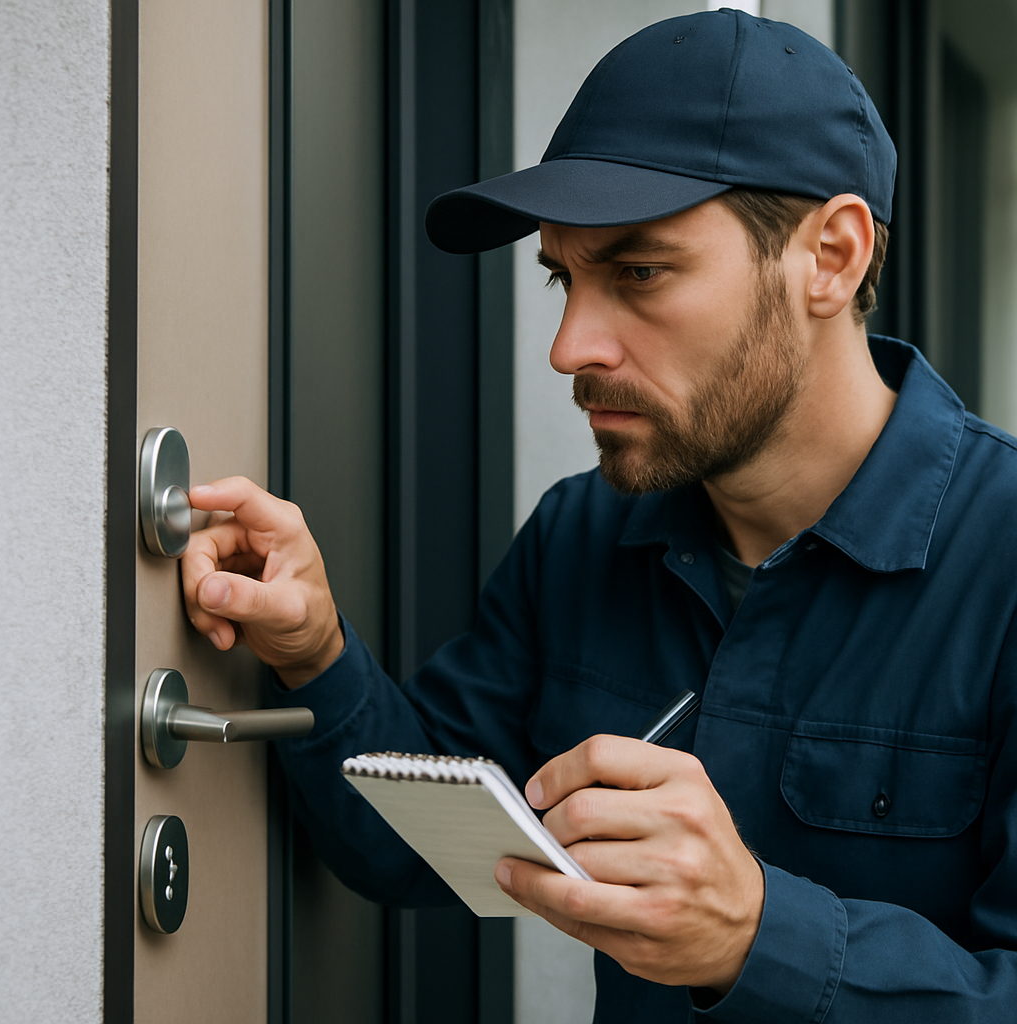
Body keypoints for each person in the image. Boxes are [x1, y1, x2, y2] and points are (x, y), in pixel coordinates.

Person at [182, 10, 1017, 1022]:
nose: (571, 345)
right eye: (564, 279)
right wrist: (315, 653)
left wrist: (759, 937)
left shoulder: (1001, 561)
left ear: (829, 258)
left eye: (638, 273)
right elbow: (425, 848)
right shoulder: (581, 537)